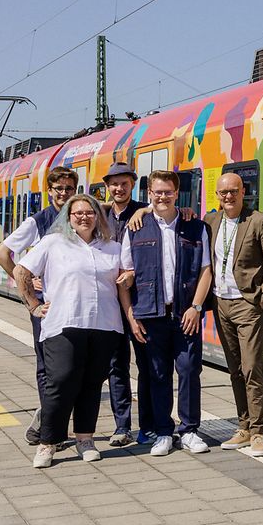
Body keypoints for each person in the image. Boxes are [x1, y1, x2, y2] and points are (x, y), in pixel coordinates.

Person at [13, 193, 130, 468]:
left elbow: (126, 276)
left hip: (104, 325)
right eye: (77, 213)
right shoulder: (54, 243)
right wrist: (32, 305)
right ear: (69, 217)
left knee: (91, 383)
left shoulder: (112, 247)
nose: (84, 217)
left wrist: (130, 277)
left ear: (97, 216)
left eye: (89, 212)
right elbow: (21, 272)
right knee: (61, 382)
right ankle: (47, 442)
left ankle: (85, 439)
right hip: (62, 324)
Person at [119, 170, 212, 457]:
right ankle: (163, 431)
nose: (162, 197)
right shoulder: (135, 228)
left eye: (168, 192)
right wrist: (132, 317)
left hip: (185, 314)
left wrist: (196, 308)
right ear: (149, 194)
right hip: (151, 315)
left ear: (177, 193)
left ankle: (189, 430)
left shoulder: (195, 227)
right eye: (157, 192)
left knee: (188, 371)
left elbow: (206, 270)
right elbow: (124, 276)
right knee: (158, 375)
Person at [0, 165, 78, 445]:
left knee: (70, 368)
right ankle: (50, 429)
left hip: (76, 305)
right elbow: (2, 253)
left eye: (69, 188)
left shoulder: (82, 216)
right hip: (47, 308)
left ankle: (47, 423)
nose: (63, 194)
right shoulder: (37, 221)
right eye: (59, 189)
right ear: (49, 190)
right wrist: (26, 282)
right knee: (48, 367)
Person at [204, 172, 263, 457]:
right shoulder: (210, 221)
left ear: (243, 191)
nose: (228, 196)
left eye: (233, 191)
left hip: (247, 304)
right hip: (220, 304)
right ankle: (244, 426)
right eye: (223, 192)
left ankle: (259, 432)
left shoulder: (259, 221)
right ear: (217, 195)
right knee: (235, 369)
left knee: (251, 368)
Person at [101, 163, 153, 447]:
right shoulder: (100, 215)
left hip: (141, 303)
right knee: (116, 367)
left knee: (146, 367)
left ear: (133, 185)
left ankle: (148, 425)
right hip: (109, 303)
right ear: (107, 187)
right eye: (114, 184)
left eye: (124, 183)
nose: (119, 188)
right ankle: (122, 426)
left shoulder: (146, 212)